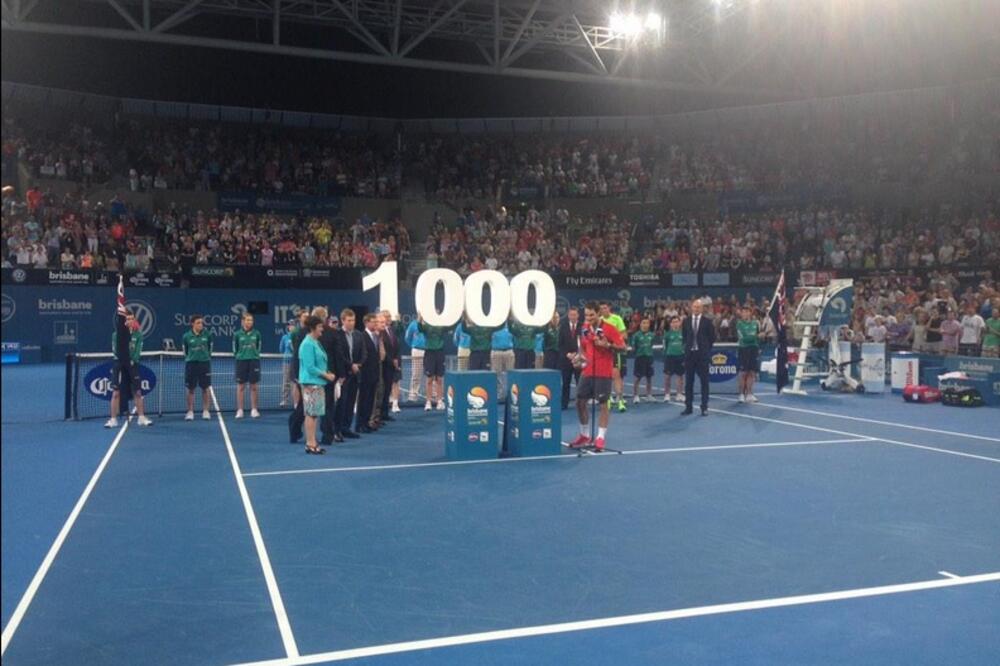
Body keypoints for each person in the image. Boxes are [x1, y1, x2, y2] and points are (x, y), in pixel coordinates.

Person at [567, 303, 626, 452]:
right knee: (579, 402)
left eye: (592, 315)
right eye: (586, 315)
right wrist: (578, 357)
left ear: (599, 313)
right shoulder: (585, 327)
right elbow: (583, 347)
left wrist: (608, 346)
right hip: (587, 371)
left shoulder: (610, 329)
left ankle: (600, 437)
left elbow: (623, 347)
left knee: (603, 404)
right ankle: (584, 435)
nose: (589, 318)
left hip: (603, 371)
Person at [106, 312, 153, 427]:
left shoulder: (138, 335)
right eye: (127, 319)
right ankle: (113, 419)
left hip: (132, 365)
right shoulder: (116, 335)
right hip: (119, 365)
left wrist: (132, 360)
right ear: (124, 321)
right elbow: (115, 350)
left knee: (138, 392)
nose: (130, 321)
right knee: (116, 393)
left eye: (132, 319)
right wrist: (124, 360)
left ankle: (141, 418)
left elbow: (138, 351)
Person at [298, 315, 336, 454]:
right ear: (313, 328)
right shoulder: (308, 343)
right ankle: (310, 443)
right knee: (311, 413)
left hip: (317, 383)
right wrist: (326, 375)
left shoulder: (315, 342)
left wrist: (327, 372)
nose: (322, 329)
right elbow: (310, 367)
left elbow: (320, 362)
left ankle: (313, 441)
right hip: (310, 383)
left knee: (314, 414)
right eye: (320, 326)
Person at [334, 308, 365, 439]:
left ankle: (346, 428)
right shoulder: (337, 335)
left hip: (355, 374)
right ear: (343, 321)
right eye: (349, 320)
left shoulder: (358, 335)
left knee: (351, 402)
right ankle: (337, 430)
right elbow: (339, 354)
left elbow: (364, 353)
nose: (352, 322)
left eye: (353, 320)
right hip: (343, 374)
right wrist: (350, 365)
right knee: (341, 403)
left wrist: (358, 364)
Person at [682, 299, 715, 416]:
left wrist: (705, 349)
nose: (696, 309)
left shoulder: (707, 322)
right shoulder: (686, 321)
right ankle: (688, 407)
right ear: (692, 308)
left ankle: (704, 407)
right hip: (690, 356)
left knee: (704, 382)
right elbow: (684, 337)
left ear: (702, 309)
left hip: (702, 356)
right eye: (695, 306)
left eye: (698, 307)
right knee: (688, 383)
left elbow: (712, 338)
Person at [416, 314, 452, 410]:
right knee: (429, 379)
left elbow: (450, 326)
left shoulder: (441, 326)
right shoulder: (426, 326)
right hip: (429, 353)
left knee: (439, 379)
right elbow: (419, 328)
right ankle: (428, 402)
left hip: (439, 353)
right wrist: (420, 318)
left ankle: (439, 401)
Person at [287, 309, 312, 442]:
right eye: (304, 316)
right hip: (302, 373)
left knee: (305, 403)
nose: (307, 318)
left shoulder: (308, 332)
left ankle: (295, 428)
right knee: (305, 404)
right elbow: (297, 353)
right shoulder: (298, 333)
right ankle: (294, 425)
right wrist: (297, 374)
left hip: (307, 373)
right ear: (300, 318)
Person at [599, 301, 628, 412]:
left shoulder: (617, 319)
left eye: (605, 308)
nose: (603, 310)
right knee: (605, 377)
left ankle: (620, 401)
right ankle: (608, 399)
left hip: (614, 351)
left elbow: (624, 335)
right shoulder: (599, 321)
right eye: (601, 308)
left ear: (609, 308)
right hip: (602, 353)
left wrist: (613, 341)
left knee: (616, 376)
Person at [183, 315, 213, 420]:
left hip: (204, 364)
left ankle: (206, 411)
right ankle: (190, 411)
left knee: (205, 387)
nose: (201, 325)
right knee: (190, 388)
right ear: (192, 324)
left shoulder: (208, 335)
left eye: (201, 323)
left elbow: (210, 348)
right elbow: (185, 351)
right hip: (191, 364)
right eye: (198, 323)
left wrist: (205, 357)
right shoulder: (186, 336)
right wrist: (191, 358)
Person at [233, 313, 263, 418]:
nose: (250, 322)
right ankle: (240, 410)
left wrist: (255, 354)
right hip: (241, 362)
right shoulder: (237, 334)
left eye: (251, 320)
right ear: (243, 321)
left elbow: (259, 347)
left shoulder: (257, 333)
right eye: (248, 320)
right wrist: (240, 356)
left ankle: (254, 409)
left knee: (254, 386)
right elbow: (235, 349)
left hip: (254, 361)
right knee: (241, 386)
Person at [318, 311, 342, 444]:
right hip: (325, 376)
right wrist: (340, 374)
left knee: (317, 408)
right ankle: (327, 435)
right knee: (326, 406)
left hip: (324, 376)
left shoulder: (307, 334)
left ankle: (326, 434)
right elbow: (338, 355)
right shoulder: (333, 333)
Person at [356, 313, 382, 432]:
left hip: (374, 374)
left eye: (377, 322)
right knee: (363, 400)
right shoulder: (362, 336)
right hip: (365, 374)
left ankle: (366, 422)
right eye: (374, 322)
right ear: (366, 323)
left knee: (371, 400)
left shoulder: (376, 337)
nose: (376, 324)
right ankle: (360, 424)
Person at [736, 305, 763, 403]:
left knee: (752, 372)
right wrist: (757, 336)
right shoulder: (739, 324)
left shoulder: (755, 323)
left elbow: (758, 337)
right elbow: (745, 339)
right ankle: (741, 394)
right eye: (743, 312)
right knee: (743, 373)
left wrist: (759, 340)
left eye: (747, 312)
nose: (745, 313)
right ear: (741, 313)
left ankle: (750, 394)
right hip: (744, 349)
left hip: (754, 349)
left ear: (750, 313)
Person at [557, 307, 582, 410]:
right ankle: (564, 403)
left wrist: (578, 354)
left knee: (580, 382)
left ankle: (580, 403)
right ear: (568, 315)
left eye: (574, 315)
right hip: (566, 360)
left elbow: (584, 343)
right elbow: (560, 344)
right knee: (566, 382)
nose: (573, 317)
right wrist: (567, 354)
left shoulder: (582, 327)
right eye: (571, 315)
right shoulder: (563, 327)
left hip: (579, 359)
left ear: (578, 315)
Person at [379, 311, 401, 420]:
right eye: (386, 317)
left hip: (393, 364)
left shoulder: (391, 330)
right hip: (385, 365)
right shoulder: (380, 332)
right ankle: (380, 414)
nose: (388, 319)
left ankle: (385, 414)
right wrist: (392, 361)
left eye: (389, 316)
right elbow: (383, 350)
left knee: (388, 390)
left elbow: (395, 346)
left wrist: (396, 359)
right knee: (383, 390)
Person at [630, 317, 655, 403]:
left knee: (649, 378)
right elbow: (634, 348)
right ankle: (636, 396)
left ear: (649, 325)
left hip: (649, 358)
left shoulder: (652, 335)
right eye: (643, 323)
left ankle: (649, 395)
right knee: (637, 378)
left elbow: (651, 345)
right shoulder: (636, 335)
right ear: (640, 324)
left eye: (647, 323)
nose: (645, 325)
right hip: (640, 358)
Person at [662, 316, 685, 402]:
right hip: (670, 357)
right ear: (671, 324)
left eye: (677, 321)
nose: (675, 323)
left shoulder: (683, 333)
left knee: (680, 376)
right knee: (667, 377)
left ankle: (679, 394)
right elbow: (665, 346)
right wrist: (666, 355)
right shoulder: (667, 334)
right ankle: (667, 394)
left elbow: (685, 345)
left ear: (680, 323)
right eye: (673, 322)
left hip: (680, 356)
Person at [404, 317, 426, 402]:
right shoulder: (413, 324)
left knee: (432, 374)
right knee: (416, 373)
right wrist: (414, 345)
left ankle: (433, 395)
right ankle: (413, 394)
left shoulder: (431, 323)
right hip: (417, 350)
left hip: (430, 350)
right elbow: (407, 337)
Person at [491, 323, 515, 398]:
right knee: (497, 374)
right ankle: (499, 394)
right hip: (497, 352)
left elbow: (515, 338)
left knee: (511, 373)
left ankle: (510, 394)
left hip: (508, 351)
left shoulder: (510, 326)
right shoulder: (492, 326)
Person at [278, 319, 296, 407]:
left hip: (295, 362)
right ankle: (285, 400)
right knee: (286, 381)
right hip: (286, 362)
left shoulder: (297, 336)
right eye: (290, 325)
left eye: (293, 325)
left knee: (295, 382)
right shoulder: (284, 337)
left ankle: (296, 401)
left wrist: (292, 346)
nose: (291, 327)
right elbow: (281, 349)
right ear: (288, 327)